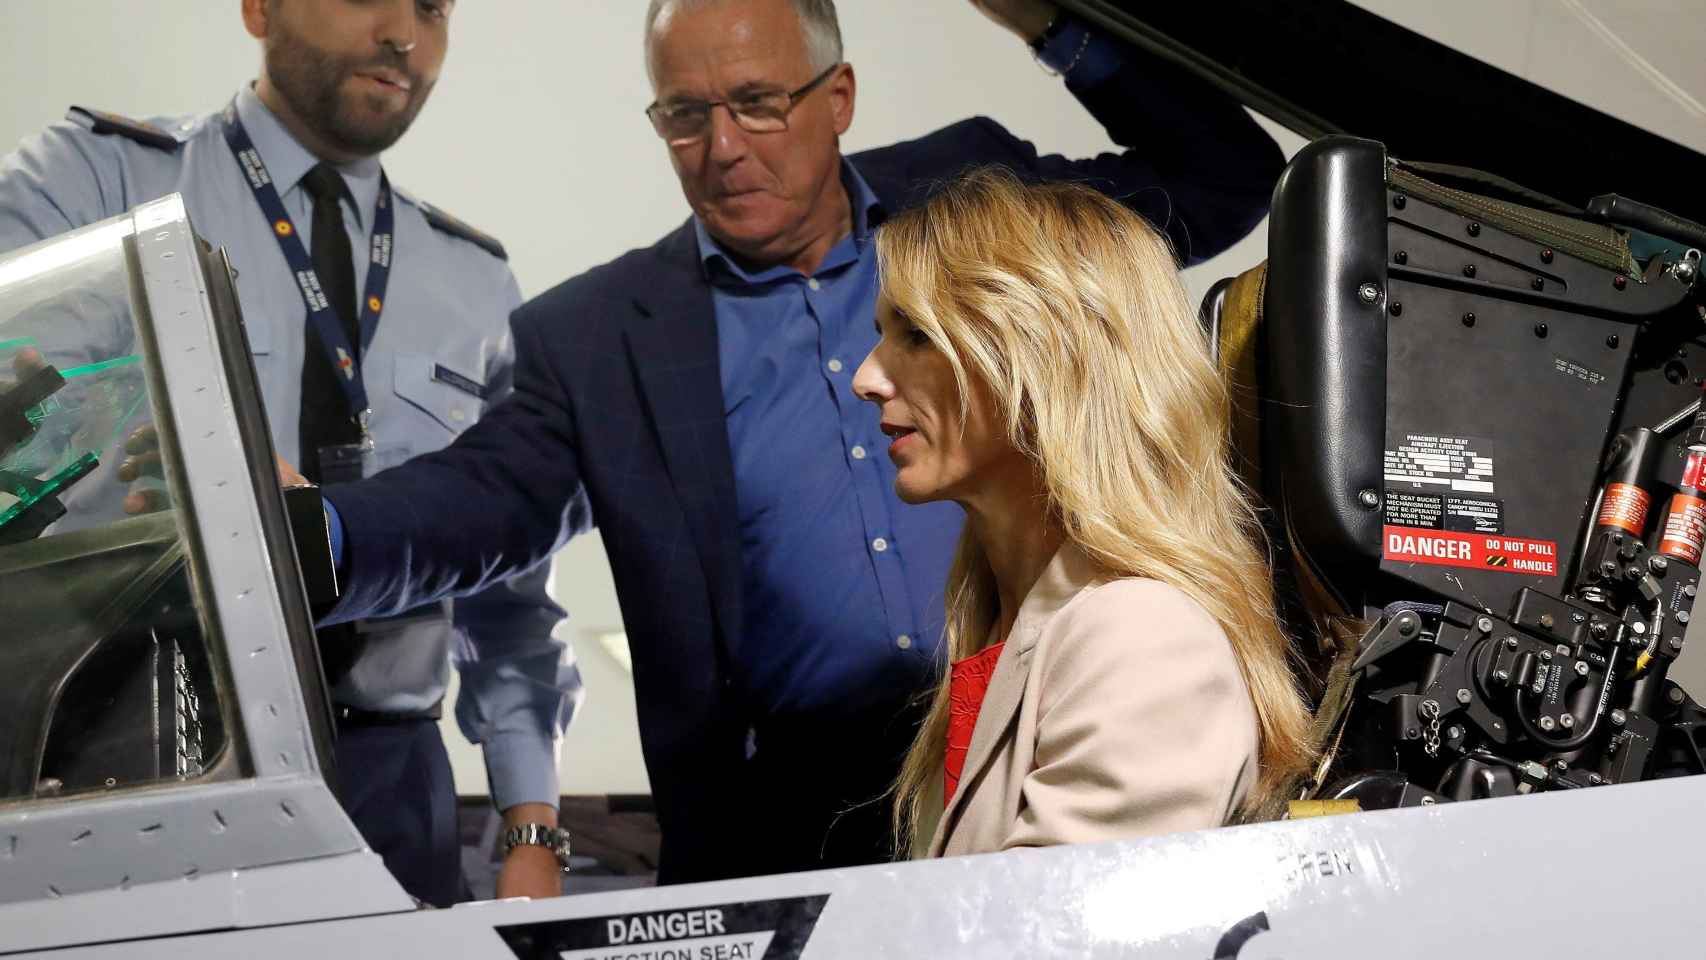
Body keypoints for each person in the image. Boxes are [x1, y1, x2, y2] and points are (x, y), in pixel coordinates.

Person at [317, 0, 1285, 883]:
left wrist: (1051, 23)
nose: (722, 147)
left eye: (755, 103)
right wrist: (295, 536)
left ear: (839, 99)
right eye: (684, 116)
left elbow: (1221, 177)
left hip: (1037, 745)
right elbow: (469, 507)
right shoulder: (598, 338)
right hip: (783, 852)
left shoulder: (974, 212)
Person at [0, 0, 581, 905]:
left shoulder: (473, 278)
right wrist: (208, 473)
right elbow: (22, 390)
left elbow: (509, 588)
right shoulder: (99, 180)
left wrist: (531, 821)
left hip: (394, 781)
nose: (403, 33)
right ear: (259, 7)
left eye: (433, 8)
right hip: (141, 754)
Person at [852, 169, 1315, 856]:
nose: (867, 376)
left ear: (1046, 358)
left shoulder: (1141, 638)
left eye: (915, 335)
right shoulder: (1010, 626)